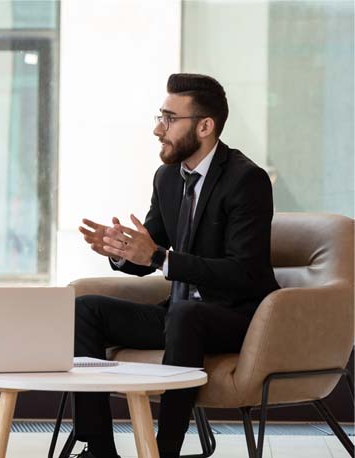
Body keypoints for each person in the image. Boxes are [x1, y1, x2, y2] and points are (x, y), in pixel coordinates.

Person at [74, 73, 280, 458]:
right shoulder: (168, 177)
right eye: (159, 116)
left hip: (237, 317)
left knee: (186, 313)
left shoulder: (246, 180)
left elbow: (244, 273)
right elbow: (150, 251)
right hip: (179, 314)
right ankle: (98, 447)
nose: (157, 129)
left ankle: (164, 449)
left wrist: (156, 257)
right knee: (85, 309)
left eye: (169, 119)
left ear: (205, 126)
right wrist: (119, 250)